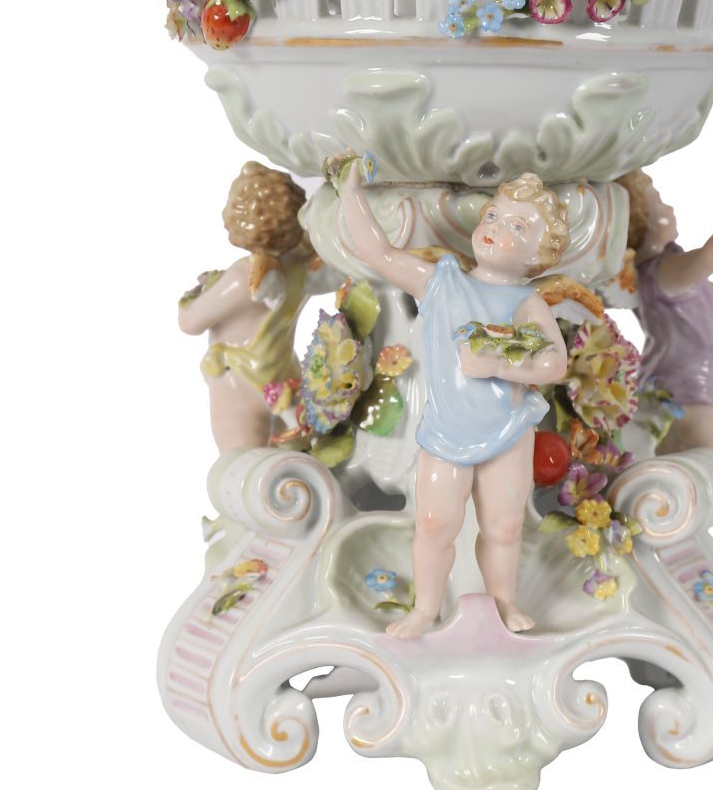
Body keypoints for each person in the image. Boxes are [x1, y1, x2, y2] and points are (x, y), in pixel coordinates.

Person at [339, 164, 570, 638]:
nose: (496, 228)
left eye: (517, 227)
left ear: (538, 253)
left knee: (504, 526)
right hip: (446, 430)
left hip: (507, 430)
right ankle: (426, 608)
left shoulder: (526, 302)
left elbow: (553, 363)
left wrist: (497, 365)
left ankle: (504, 602)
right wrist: (350, 189)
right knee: (433, 522)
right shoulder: (442, 282)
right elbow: (376, 252)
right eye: (493, 216)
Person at [618, 163, 713, 466]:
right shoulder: (665, 271)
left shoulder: (650, 271)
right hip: (696, 397)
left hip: (665, 393)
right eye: (658, 203)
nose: (669, 207)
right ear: (637, 223)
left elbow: (678, 318)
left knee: (677, 475)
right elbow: (712, 255)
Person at [179, 161, 323, 453]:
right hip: (284, 381)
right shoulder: (302, 267)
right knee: (293, 460)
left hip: (239, 381)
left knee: (241, 461)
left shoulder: (241, 278)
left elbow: (190, 322)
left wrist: (195, 294)